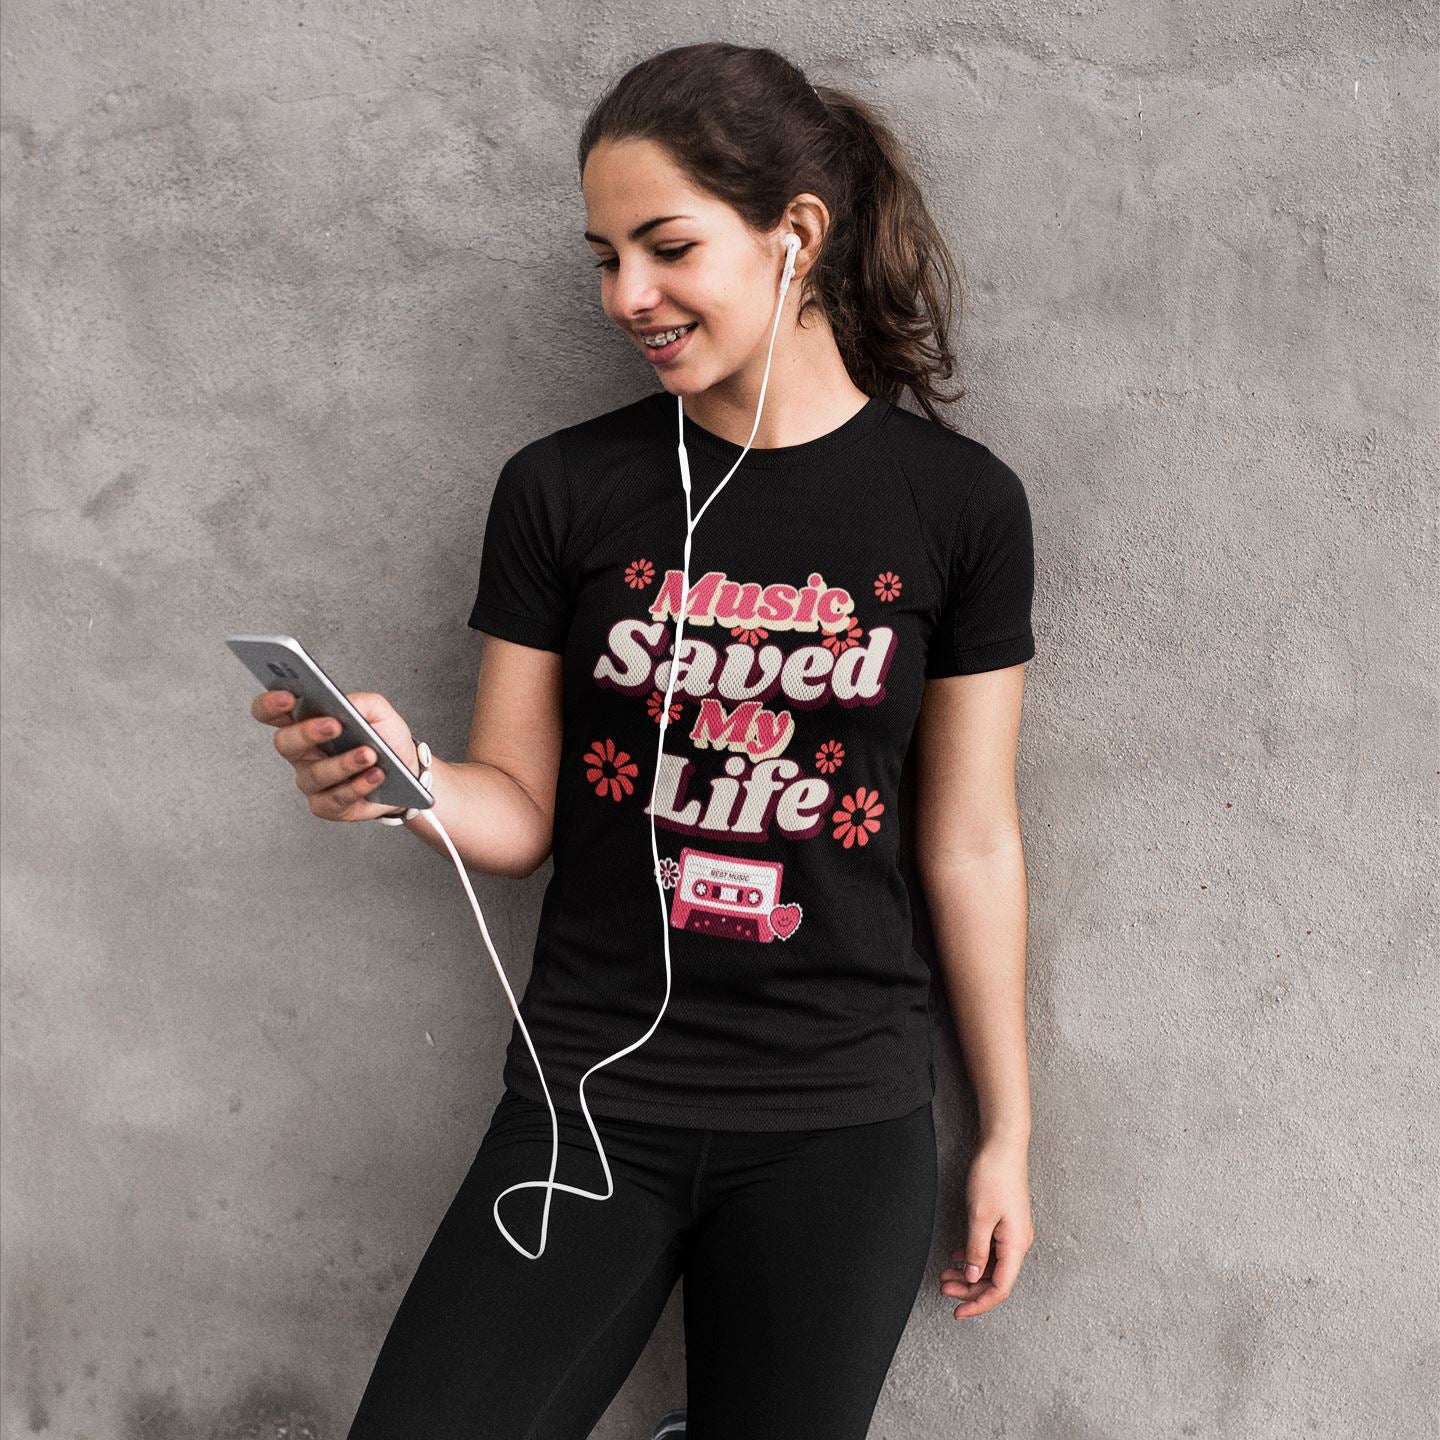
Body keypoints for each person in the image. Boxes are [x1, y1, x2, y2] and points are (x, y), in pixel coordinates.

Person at [250, 41, 1036, 1440]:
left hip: (838, 1119)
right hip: (589, 1101)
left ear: (797, 233)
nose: (628, 295)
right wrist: (404, 780)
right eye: (606, 259)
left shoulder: (958, 507)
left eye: (668, 248)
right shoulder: (563, 491)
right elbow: (519, 812)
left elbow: (970, 842)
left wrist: (1007, 1134)